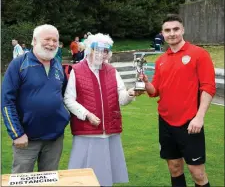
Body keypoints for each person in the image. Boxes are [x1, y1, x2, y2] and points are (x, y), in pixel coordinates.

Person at [140, 14, 216, 187]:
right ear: (162, 33)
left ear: (183, 30)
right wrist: (145, 83)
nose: (172, 33)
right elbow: (154, 91)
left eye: (175, 29)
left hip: (190, 122)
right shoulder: (161, 60)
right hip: (166, 122)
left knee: (197, 173)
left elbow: (208, 87)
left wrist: (199, 117)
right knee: (174, 168)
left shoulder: (199, 54)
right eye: (167, 30)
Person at [64, 33, 143, 186]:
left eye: (106, 50)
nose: (102, 53)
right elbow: (68, 99)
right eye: (98, 49)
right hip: (87, 131)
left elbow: (121, 97)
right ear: (89, 49)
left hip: (110, 131)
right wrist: (87, 114)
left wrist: (129, 94)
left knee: (106, 176)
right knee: (82, 178)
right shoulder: (77, 70)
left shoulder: (112, 70)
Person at [1, 24, 70, 173]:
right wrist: (17, 133)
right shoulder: (19, 64)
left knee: (49, 180)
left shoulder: (58, 66)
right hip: (26, 139)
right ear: (34, 40)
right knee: (21, 181)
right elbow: (7, 101)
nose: (51, 44)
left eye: (55, 40)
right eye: (47, 39)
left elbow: (65, 96)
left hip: (55, 139)